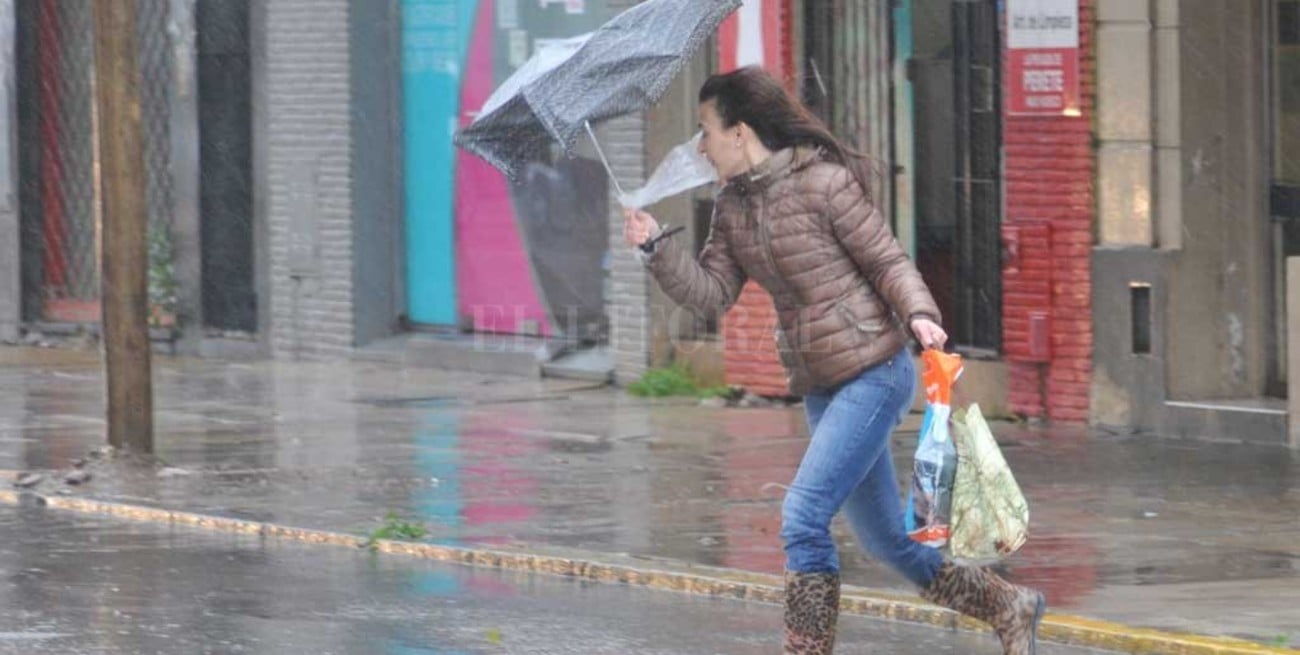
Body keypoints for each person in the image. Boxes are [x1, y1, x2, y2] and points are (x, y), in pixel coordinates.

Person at [623, 66, 1045, 655]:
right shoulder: (732, 208)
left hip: (876, 372)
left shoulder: (824, 183)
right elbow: (712, 294)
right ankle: (1008, 605)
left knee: (802, 516)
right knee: (888, 541)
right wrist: (655, 249)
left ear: (739, 132)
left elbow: (887, 260)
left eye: (706, 131)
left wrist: (919, 313)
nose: (700, 147)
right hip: (821, 383)